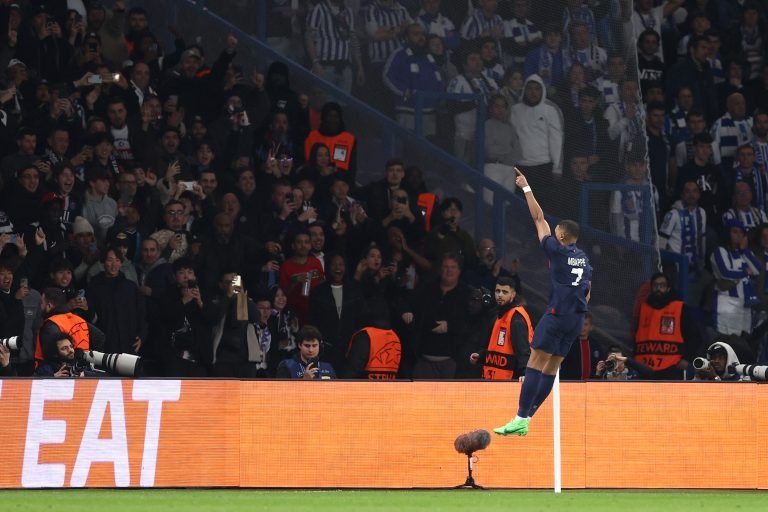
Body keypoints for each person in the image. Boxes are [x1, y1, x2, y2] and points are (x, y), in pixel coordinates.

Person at [494, 168, 591, 437]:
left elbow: (538, 218)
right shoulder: (584, 259)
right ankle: (528, 418)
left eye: (556, 229)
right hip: (576, 319)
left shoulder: (556, 251)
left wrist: (526, 187)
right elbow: (587, 293)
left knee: (535, 363)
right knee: (551, 367)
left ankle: (519, 417)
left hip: (557, 315)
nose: (553, 229)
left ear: (562, 236)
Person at [634, 273, 701, 379]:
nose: (658, 288)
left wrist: (686, 359)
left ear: (668, 288)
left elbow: (695, 337)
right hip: (643, 368)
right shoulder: (643, 309)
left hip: (671, 368)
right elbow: (635, 336)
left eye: (662, 285)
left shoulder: (679, 308)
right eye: (655, 285)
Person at [469, 276, 533, 380]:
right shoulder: (498, 314)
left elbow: (523, 349)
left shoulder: (516, 317)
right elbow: (497, 348)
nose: (500, 295)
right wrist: (481, 356)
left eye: (505, 292)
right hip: (495, 379)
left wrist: (525, 373)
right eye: (497, 291)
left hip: (511, 379)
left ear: (513, 294)